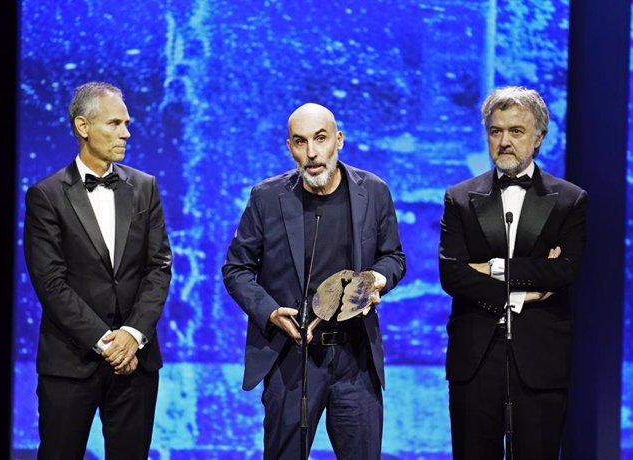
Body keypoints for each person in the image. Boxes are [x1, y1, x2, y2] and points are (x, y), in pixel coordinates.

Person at [222, 103, 406, 459]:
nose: (312, 153)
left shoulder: (374, 192)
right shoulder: (266, 198)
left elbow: (394, 257)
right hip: (293, 356)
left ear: (338, 140)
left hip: (355, 358)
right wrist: (271, 312)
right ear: (289, 147)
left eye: (320, 139)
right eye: (300, 142)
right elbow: (236, 269)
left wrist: (376, 280)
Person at [23, 82, 172, 460]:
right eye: (115, 123)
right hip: (71, 362)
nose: (127, 132)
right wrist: (108, 343)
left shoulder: (145, 187)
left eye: (127, 123)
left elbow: (158, 267)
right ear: (83, 126)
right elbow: (50, 282)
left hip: (135, 364)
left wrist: (132, 335)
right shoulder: (46, 196)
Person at [438, 86, 588, 459]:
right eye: (495, 131)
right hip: (474, 359)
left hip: (539, 359)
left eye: (516, 131)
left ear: (538, 138)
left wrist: (493, 269)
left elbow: (565, 270)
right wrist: (524, 289)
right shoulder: (459, 198)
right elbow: (453, 275)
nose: (504, 141)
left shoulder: (570, 200)